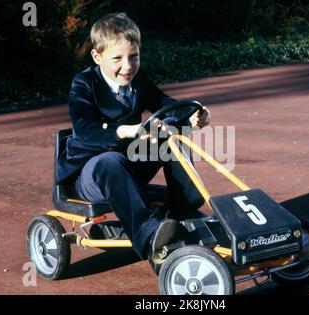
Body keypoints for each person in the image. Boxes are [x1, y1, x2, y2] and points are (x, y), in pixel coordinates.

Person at [56, 12, 211, 260]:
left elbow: (166, 103)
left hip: (129, 161)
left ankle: (184, 210)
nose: (128, 66)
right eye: (117, 58)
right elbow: (85, 129)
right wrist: (126, 131)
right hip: (90, 170)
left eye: (134, 57)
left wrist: (196, 114)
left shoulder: (138, 80)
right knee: (111, 161)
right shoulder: (84, 83)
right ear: (97, 57)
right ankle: (149, 237)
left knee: (171, 137)